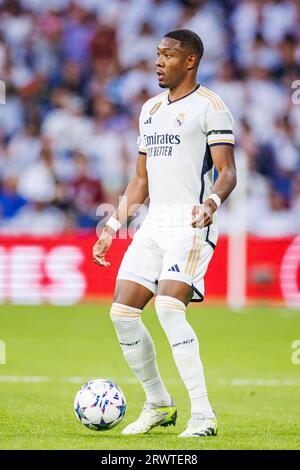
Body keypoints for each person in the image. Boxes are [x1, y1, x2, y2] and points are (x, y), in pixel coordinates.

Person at [93, 29, 236, 437]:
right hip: (153, 226)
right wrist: (114, 226)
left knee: (169, 309)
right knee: (121, 314)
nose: (158, 61)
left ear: (189, 61)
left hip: (191, 226)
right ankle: (158, 403)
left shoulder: (211, 107)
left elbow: (228, 172)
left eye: (168, 55)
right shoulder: (150, 109)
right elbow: (141, 179)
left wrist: (211, 204)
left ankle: (204, 416)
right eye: (157, 54)